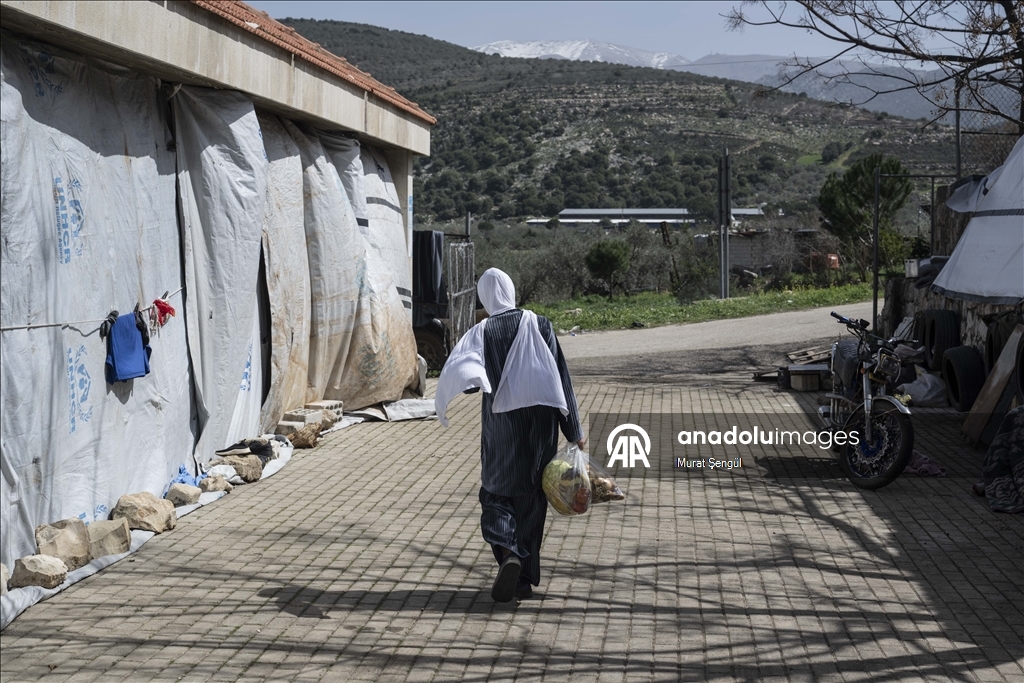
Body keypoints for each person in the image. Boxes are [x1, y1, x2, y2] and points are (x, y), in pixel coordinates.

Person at [435, 268, 584, 602]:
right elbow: (560, 375)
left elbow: (470, 382)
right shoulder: (540, 324)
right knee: (532, 499)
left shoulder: (482, 331)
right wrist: (574, 430)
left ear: (486, 298)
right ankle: (524, 579)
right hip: (541, 428)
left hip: (502, 428)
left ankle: (509, 554)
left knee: (496, 497)